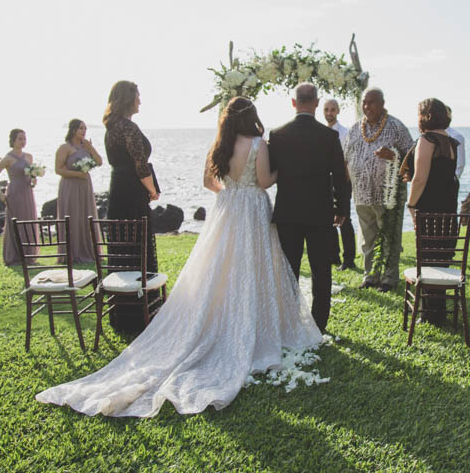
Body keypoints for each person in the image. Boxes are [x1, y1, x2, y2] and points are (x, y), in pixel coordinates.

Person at [36, 97, 322, 417]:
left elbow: (206, 182)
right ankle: (254, 321)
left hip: (226, 210)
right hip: (253, 210)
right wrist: (276, 173)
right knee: (255, 267)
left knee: (222, 269)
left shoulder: (219, 145)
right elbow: (267, 181)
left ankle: (218, 317)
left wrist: (230, 192)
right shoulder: (259, 143)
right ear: (251, 117)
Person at [269, 84, 347, 334]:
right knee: (321, 270)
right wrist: (342, 207)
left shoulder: (278, 135)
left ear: (293, 103)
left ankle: (288, 322)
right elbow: (340, 177)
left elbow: (271, 172)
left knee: (288, 269)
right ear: (316, 103)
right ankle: (319, 324)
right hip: (320, 212)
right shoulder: (329, 136)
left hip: (288, 213)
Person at [343, 87, 413, 292]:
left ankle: (389, 279)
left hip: (387, 193)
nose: (367, 106)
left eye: (371, 102)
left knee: (389, 235)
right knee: (367, 237)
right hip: (362, 193)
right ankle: (371, 276)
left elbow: (411, 156)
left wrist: (392, 155)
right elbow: (345, 156)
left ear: (382, 104)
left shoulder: (396, 127)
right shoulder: (355, 128)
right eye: (364, 102)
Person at [103, 81, 160, 332]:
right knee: (138, 246)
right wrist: (151, 189)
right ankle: (140, 314)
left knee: (122, 247)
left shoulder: (111, 128)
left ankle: (121, 313)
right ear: (128, 99)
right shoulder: (128, 127)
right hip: (133, 192)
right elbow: (140, 165)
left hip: (117, 191)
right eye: (138, 96)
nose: (140, 101)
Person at [406, 98, 460, 323]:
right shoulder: (451, 142)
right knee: (441, 259)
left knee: (428, 259)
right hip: (448, 210)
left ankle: (430, 313)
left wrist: (411, 204)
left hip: (430, 209)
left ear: (425, 116)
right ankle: (436, 310)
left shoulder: (427, 141)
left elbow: (420, 178)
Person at [55, 119, 102, 263]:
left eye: (85, 129)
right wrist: (78, 174)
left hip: (85, 185)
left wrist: (90, 148)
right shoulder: (65, 147)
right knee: (72, 215)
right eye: (81, 128)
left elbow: (99, 162)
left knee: (86, 215)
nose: (84, 131)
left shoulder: (86, 146)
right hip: (70, 185)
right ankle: (71, 252)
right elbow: (58, 169)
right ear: (73, 129)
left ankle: (88, 250)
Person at [0, 129, 38, 265]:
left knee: (29, 220)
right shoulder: (8, 158)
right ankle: (14, 255)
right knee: (16, 222)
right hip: (15, 193)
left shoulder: (29, 156)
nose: (23, 141)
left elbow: (32, 173)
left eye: (24, 138)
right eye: (20, 139)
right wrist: (0, 194)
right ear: (13, 141)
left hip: (27, 192)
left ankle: (29, 254)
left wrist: (34, 179)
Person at [323, 98, 356, 270]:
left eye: (332, 109)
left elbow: (349, 159)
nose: (329, 113)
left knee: (344, 219)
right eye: (326, 109)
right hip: (324, 181)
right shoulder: (320, 131)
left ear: (338, 111)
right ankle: (333, 256)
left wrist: (346, 182)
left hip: (342, 180)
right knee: (328, 219)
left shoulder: (345, 132)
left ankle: (349, 259)